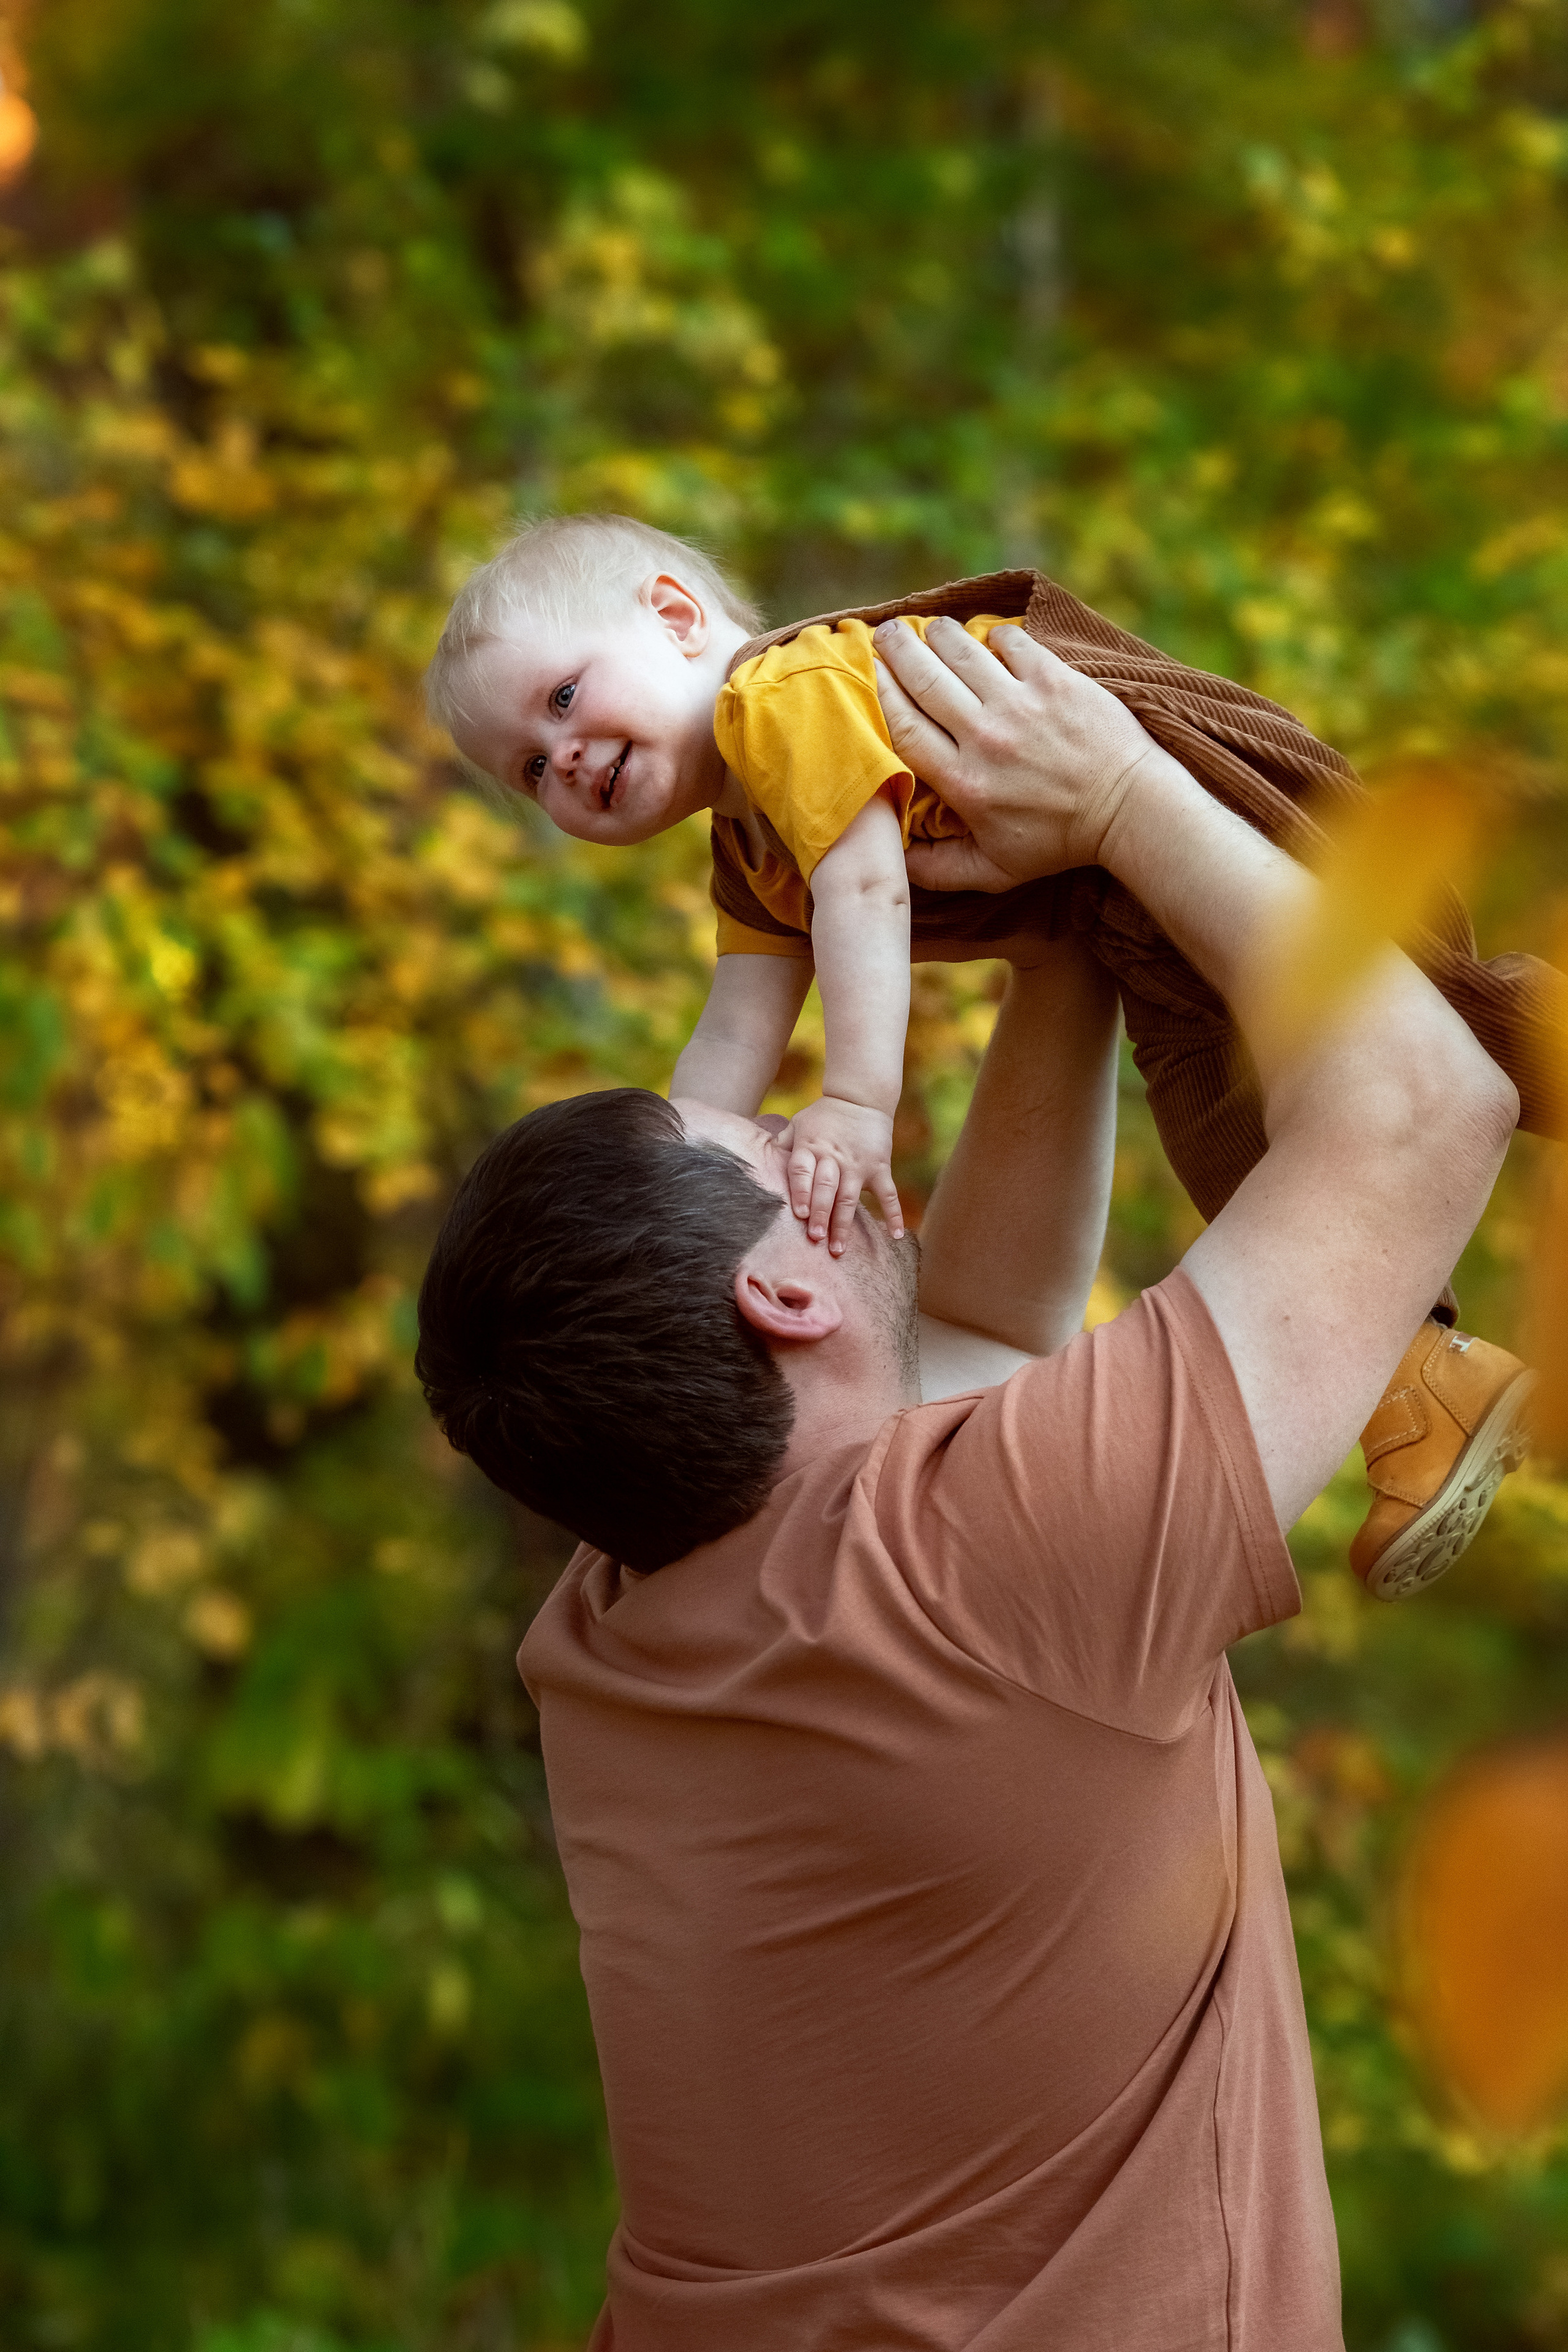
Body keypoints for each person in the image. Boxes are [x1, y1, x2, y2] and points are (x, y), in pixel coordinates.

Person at [414, 621, 1520, 2349]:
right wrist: (1126, 797)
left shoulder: (615, 1640)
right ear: (782, 1296)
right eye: (774, 1153)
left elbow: (988, 1331)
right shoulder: (1001, 1563)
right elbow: (1430, 1101)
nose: (810, 1142)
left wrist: (1066, 953)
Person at [426, 514, 1545, 1595]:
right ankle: (1423, 1385)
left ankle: (1425, 1375)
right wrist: (641, 1229)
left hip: (1169, 782)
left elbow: (863, 890)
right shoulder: (745, 843)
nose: (563, 758)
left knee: (1432, 1015)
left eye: (563, 700)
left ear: (675, 616)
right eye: (528, 770)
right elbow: (733, 1030)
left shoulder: (780, 701)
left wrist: (859, 1101)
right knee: (1225, 1121)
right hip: (1119, 899)